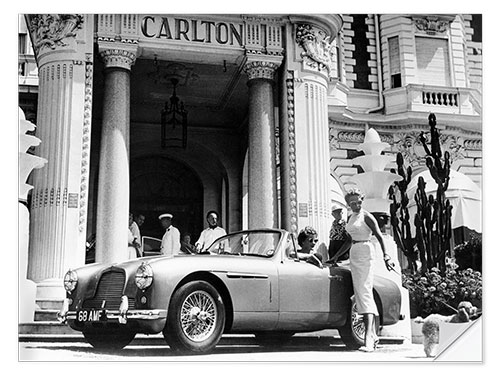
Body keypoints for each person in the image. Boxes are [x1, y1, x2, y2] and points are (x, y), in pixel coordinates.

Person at [344, 188, 392, 352]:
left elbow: (379, 235)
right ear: (348, 204)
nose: (357, 205)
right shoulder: (350, 217)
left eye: (359, 202)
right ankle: (373, 334)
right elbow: (349, 240)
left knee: (364, 292)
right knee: (360, 292)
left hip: (365, 252)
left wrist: (386, 255)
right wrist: (336, 257)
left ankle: (369, 338)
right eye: (353, 203)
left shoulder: (366, 216)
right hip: (354, 252)